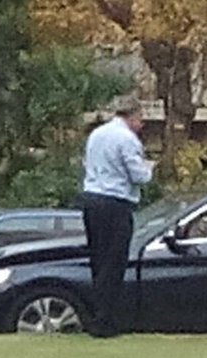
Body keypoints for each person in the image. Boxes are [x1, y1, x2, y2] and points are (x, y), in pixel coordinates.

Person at [81, 98, 153, 338]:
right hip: (115, 202)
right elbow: (139, 176)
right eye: (140, 120)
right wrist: (150, 168)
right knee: (114, 262)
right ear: (131, 117)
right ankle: (106, 321)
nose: (141, 125)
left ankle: (96, 315)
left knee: (99, 261)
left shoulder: (97, 135)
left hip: (92, 199)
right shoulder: (127, 139)